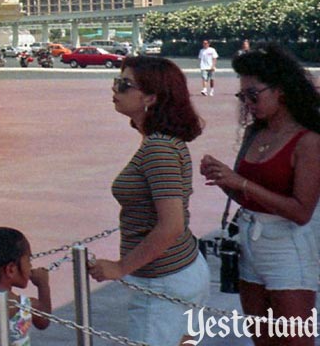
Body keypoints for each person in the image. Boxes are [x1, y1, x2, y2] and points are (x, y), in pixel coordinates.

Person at [200, 43, 320, 346]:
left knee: (294, 340)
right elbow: (249, 197)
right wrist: (224, 178)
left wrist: (239, 182)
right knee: (262, 338)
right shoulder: (256, 133)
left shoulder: (308, 141)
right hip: (250, 246)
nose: (248, 103)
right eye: (243, 96)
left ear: (281, 91)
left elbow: (300, 211)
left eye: (254, 95)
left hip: (289, 248)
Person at [87, 56, 208, 346]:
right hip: (178, 271)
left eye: (124, 84)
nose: (114, 89)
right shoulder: (159, 142)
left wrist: (120, 267)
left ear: (151, 97)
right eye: (117, 82)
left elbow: (172, 225)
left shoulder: (159, 149)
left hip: (164, 281)